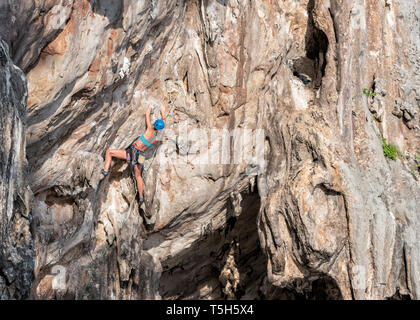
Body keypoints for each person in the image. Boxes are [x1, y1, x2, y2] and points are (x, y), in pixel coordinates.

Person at [101, 106, 166, 205]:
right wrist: (163, 114)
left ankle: (105, 170)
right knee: (138, 176)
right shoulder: (155, 138)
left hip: (131, 154)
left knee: (109, 152)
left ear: (154, 124)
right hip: (141, 156)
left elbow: (147, 114)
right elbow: (163, 125)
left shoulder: (149, 129)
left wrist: (150, 108)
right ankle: (140, 197)